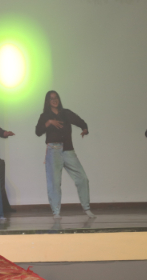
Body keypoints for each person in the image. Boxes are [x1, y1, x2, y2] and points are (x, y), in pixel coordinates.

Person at [35, 91, 95, 219]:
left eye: (56, 97)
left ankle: (86, 208)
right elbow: (38, 131)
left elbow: (80, 121)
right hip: (53, 150)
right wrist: (49, 122)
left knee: (82, 178)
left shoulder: (66, 113)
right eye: (51, 98)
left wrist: (85, 129)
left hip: (68, 150)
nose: (54, 100)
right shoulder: (45, 116)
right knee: (55, 182)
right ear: (48, 101)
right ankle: (56, 212)